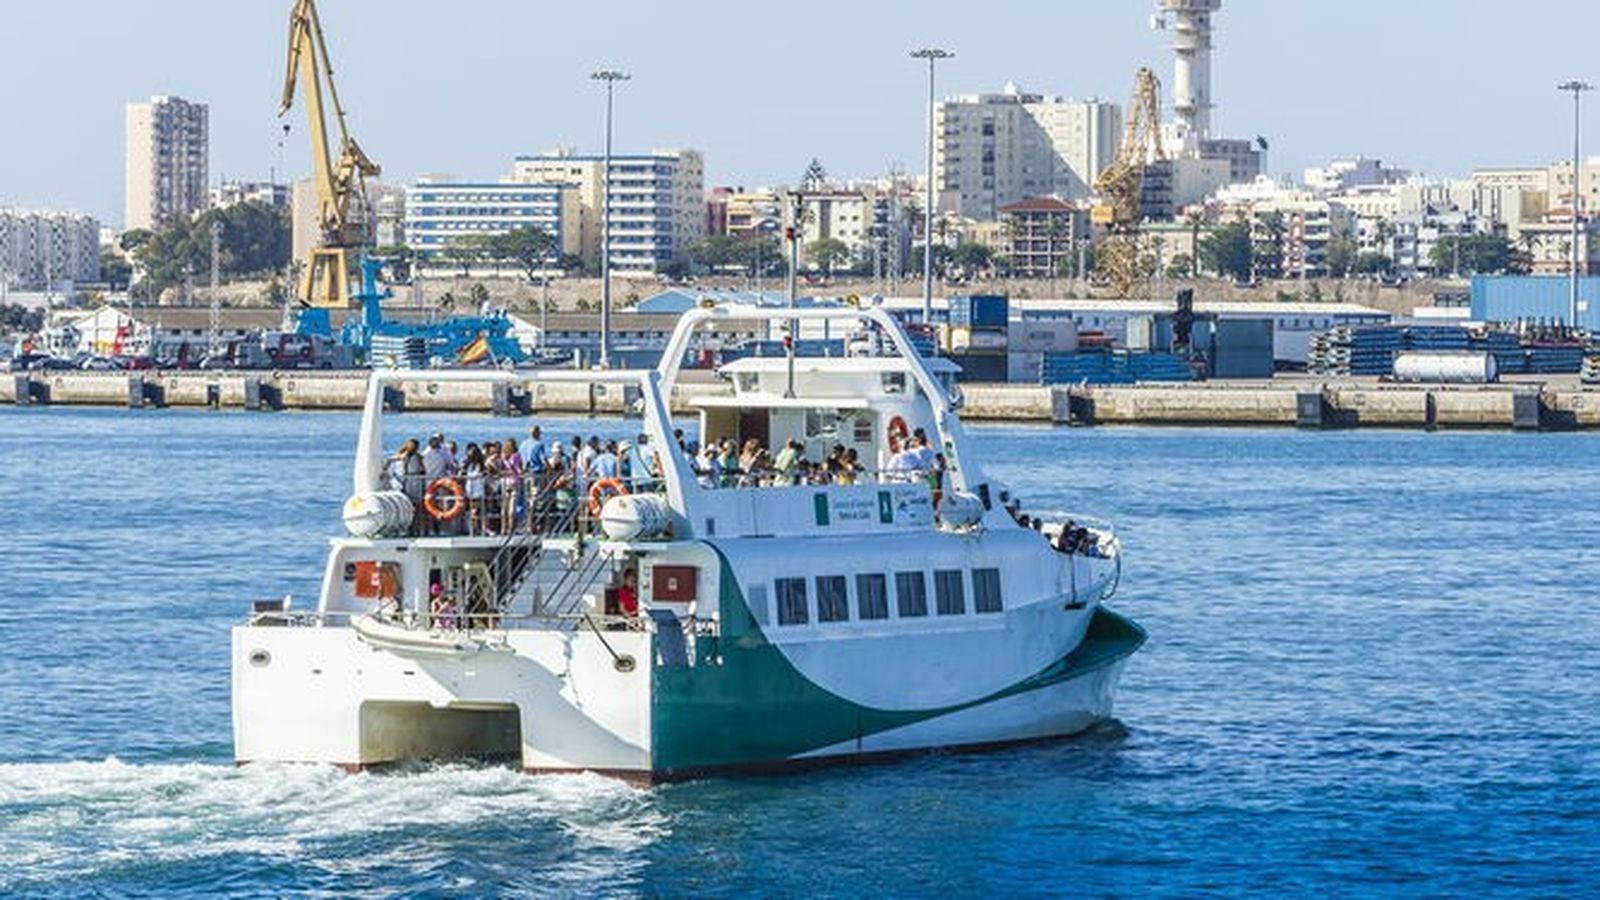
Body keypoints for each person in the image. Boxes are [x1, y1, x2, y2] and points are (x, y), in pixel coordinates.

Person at [499, 438, 523, 535]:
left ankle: (508, 529)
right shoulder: (507, 456)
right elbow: (517, 469)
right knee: (506, 509)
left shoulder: (512, 456)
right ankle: (506, 528)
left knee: (509, 509)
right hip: (509, 482)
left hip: (511, 482)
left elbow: (517, 468)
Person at [462, 443, 487, 536]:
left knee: (477, 510)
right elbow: (462, 474)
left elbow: (485, 473)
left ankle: (477, 528)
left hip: (477, 491)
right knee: (473, 510)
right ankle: (474, 528)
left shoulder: (480, 466)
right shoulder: (468, 465)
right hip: (471, 490)